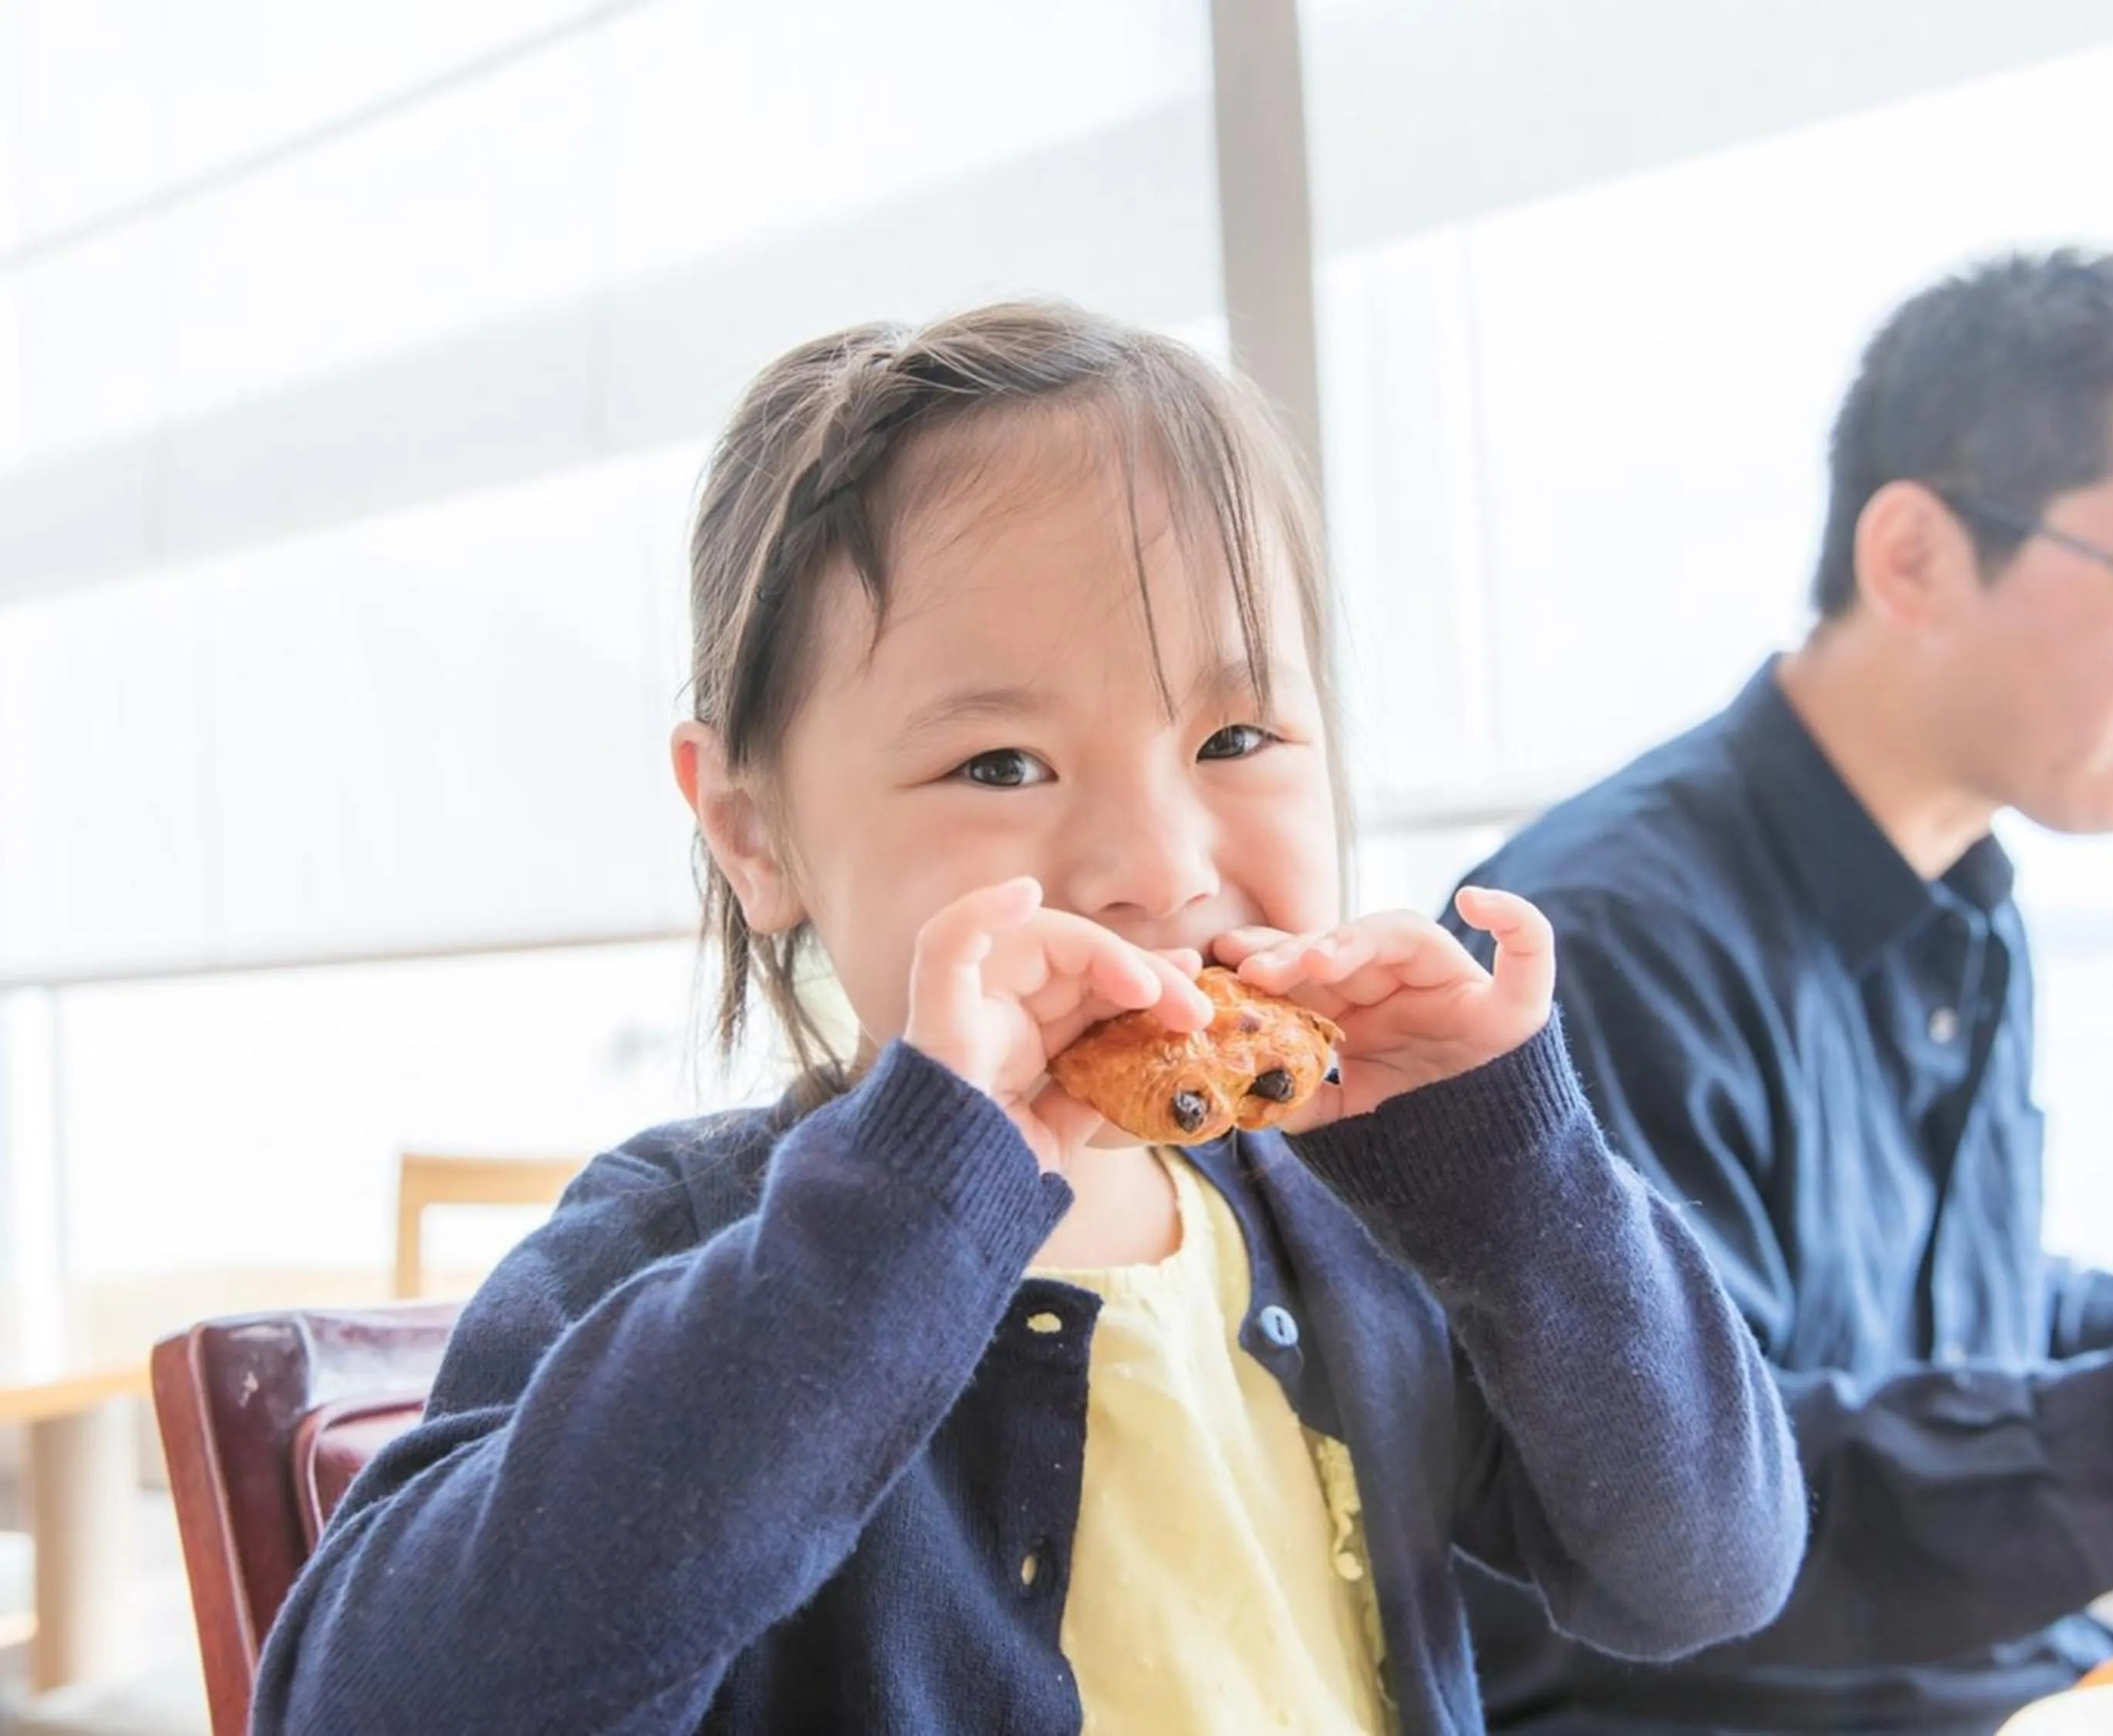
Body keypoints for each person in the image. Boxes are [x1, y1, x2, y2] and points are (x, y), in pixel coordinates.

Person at [248, 302, 1804, 1734]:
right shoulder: (700, 1244)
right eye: (1001, 765)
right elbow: (363, 1707)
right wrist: (902, 1218)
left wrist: (1505, 1176)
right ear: (752, 829)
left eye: (1238, 733)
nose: (1155, 868)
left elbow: (1709, 1571)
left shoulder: (1358, 1227)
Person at [1448, 249, 2113, 1734]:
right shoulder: (1596, 938)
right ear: (1912, 555)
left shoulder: (1963, 902)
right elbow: (1682, 1529)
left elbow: (1954, 1305)